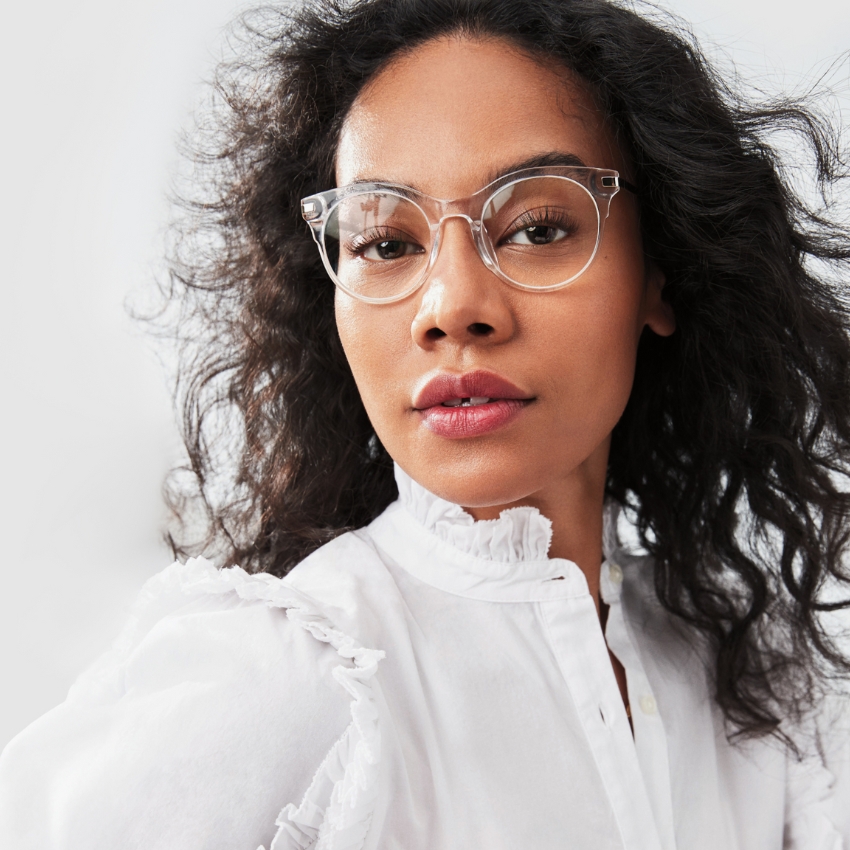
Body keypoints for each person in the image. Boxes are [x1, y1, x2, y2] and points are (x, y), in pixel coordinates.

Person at [2, 0, 850, 846]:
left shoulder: (756, 674)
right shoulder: (295, 677)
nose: (451, 308)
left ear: (661, 272)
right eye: (385, 243)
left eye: (536, 228)